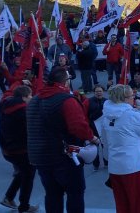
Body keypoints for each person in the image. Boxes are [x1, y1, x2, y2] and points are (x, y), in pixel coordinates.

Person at [26, 68, 99, 213]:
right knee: (75, 193)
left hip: (40, 157)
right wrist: (92, 138)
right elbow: (78, 126)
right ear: (65, 82)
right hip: (64, 156)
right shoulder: (66, 100)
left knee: (52, 194)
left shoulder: (34, 100)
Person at [100, 84, 140, 213]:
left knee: (122, 204)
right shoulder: (131, 115)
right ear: (124, 98)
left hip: (115, 167)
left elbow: (105, 142)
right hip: (134, 166)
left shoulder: (106, 116)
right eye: (132, 96)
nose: (134, 98)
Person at [0, 86, 39, 213]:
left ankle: (9, 197)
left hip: (7, 149)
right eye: (30, 96)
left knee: (22, 172)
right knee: (28, 175)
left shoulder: (4, 107)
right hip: (22, 149)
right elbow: (32, 130)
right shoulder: (24, 112)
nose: (31, 98)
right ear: (24, 97)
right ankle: (24, 206)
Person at [83, 85, 108, 171]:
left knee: (105, 146)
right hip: (93, 128)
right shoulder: (88, 102)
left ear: (103, 92)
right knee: (94, 147)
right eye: (97, 91)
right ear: (94, 92)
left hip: (104, 128)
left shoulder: (107, 101)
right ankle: (96, 164)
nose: (99, 93)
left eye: (100, 91)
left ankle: (106, 162)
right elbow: (84, 115)